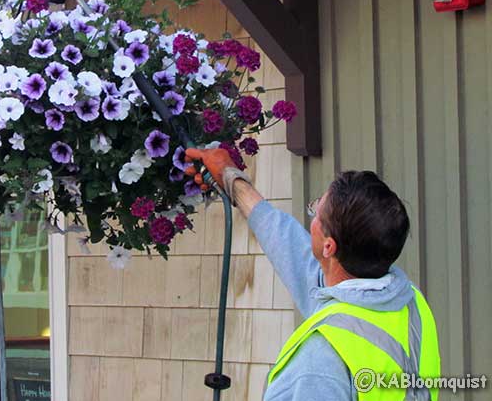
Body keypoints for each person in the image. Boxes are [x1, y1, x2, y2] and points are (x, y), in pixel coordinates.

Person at [185, 147, 441, 401]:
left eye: (317, 211)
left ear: (329, 246)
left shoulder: (322, 361)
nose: (313, 218)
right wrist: (231, 178)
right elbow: (286, 242)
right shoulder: (409, 302)